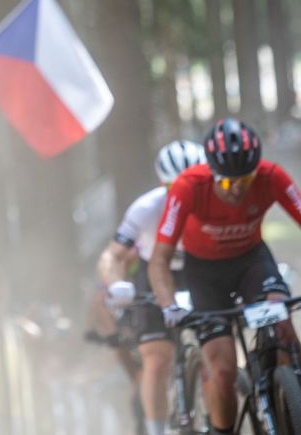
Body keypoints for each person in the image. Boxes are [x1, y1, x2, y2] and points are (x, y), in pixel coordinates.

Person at [150, 118, 301, 435]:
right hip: (205, 275)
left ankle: (290, 398)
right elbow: (159, 260)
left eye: (245, 181)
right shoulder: (188, 187)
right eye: (229, 184)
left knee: (283, 324)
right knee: (222, 369)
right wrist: (169, 306)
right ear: (212, 173)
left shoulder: (271, 177)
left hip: (252, 262)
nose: (238, 191)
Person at [98, 140, 206, 435]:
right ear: (163, 183)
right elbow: (112, 255)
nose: (184, 194)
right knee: (156, 360)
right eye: (175, 187)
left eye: (193, 185)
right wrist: (116, 283)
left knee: (218, 349)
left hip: (199, 268)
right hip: (153, 272)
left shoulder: (214, 200)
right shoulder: (146, 208)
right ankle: (156, 430)